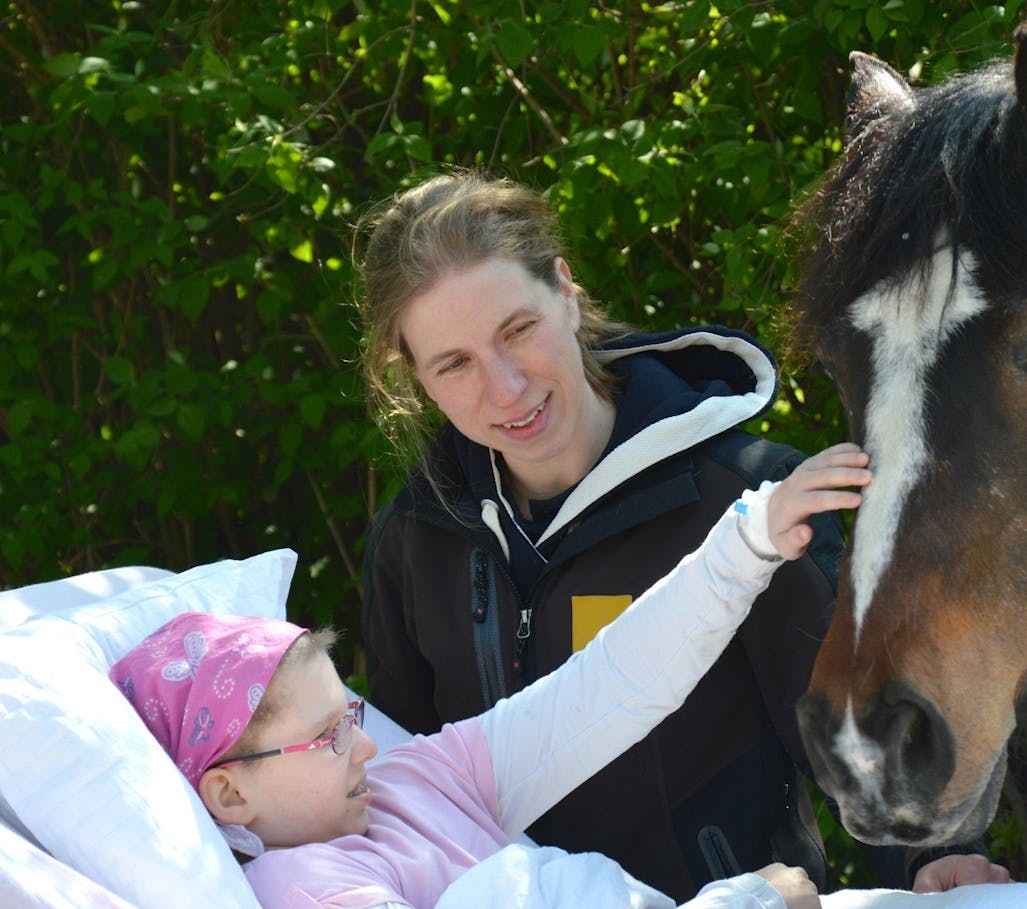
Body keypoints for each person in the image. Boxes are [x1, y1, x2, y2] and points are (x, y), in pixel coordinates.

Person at [351, 170, 978, 895]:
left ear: (566, 291)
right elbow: (394, 796)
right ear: (415, 378)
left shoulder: (742, 500)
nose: (506, 389)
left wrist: (937, 853)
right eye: (454, 363)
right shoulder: (414, 541)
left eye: (517, 330)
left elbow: (850, 716)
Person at [111, 446, 1012, 909]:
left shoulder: (410, 778)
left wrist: (746, 542)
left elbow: (606, 687)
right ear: (228, 793)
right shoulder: (302, 889)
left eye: (352, 709)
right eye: (329, 733)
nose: (364, 740)